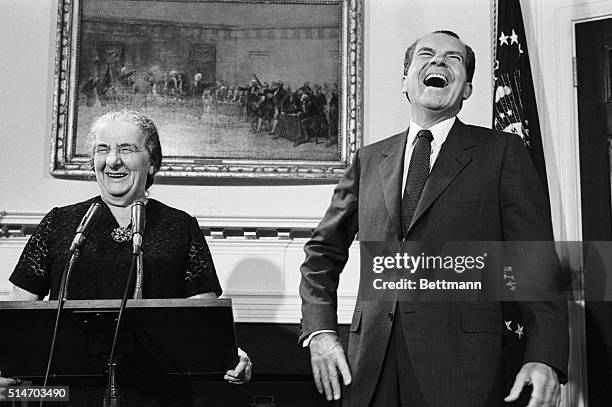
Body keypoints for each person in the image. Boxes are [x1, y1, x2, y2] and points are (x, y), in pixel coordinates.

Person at [298, 30, 568, 406]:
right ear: (406, 81)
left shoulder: (501, 152)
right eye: (426, 54)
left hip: (464, 370)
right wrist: (320, 331)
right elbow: (321, 252)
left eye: (453, 58)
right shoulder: (369, 160)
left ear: (468, 88)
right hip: (369, 369)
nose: (438, 61)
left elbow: (534, 263)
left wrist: (544, 355)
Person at [0, 110, 252, 405]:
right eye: (102, 149)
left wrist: (231, 354)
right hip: (65, 394)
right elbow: (18, 314)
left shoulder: (179, 226)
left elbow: (203, 319)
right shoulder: (60, 223)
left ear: (153, 163)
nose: (112, 160)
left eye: (126, 149)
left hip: (157, 395)